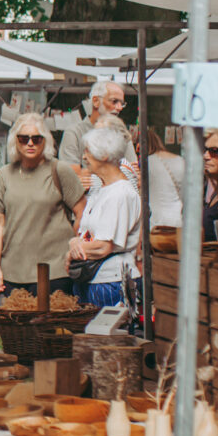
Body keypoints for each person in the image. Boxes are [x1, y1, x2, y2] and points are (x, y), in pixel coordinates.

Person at [0, 112, 85, 299]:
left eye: (36, 139)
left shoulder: (59, 170)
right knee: (15, 327)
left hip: (55, 271)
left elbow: (83, 213)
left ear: (45, 141)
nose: (30, 143)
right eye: (24, 139)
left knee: (50, 328)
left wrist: (74, 246)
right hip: (13, 271)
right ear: (15, 141)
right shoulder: (4, 175)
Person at [68, 127, 142, 310]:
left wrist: (72, 251)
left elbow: (103, 246)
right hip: (93, 280)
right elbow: (88, 234)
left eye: (88, 151)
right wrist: (74, 243)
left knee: (108, 337)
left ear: (104, 155)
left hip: (111, 282)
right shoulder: (102, 189)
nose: (84, 158)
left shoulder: (120, 194)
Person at [59, 81, 135, 173]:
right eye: (114, 101)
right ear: (96, 101)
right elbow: (71, 175)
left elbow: (133, 173)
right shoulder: (74, 132)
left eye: (122, 103)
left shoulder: (122, 134)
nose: (119, 108)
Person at [135, 127, 183, 231]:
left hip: (157, 223)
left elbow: (140, 192)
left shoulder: (147, 162)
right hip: (179, 221)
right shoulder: (180, 160)